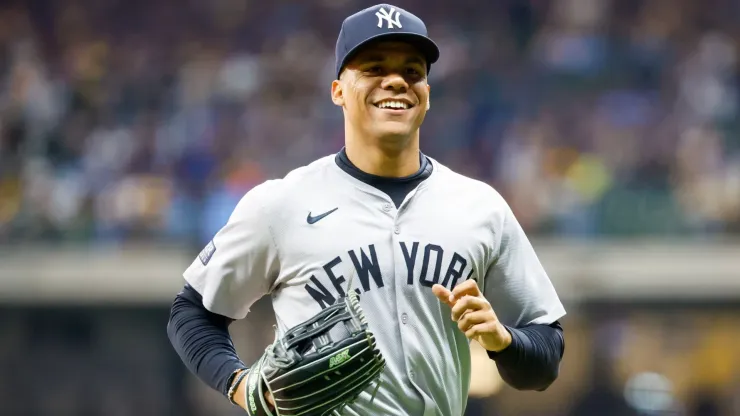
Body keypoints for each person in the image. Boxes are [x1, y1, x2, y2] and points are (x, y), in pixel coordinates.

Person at [167, 4, 566, 415]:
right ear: (338, 90)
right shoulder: (281, 204)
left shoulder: (479, 207)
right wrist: (242, 385)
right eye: (374, 69)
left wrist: (503, 340)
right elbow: (191, 313)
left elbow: (545, 357)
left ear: (427, 94)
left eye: (413, 72)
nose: (396, 81)